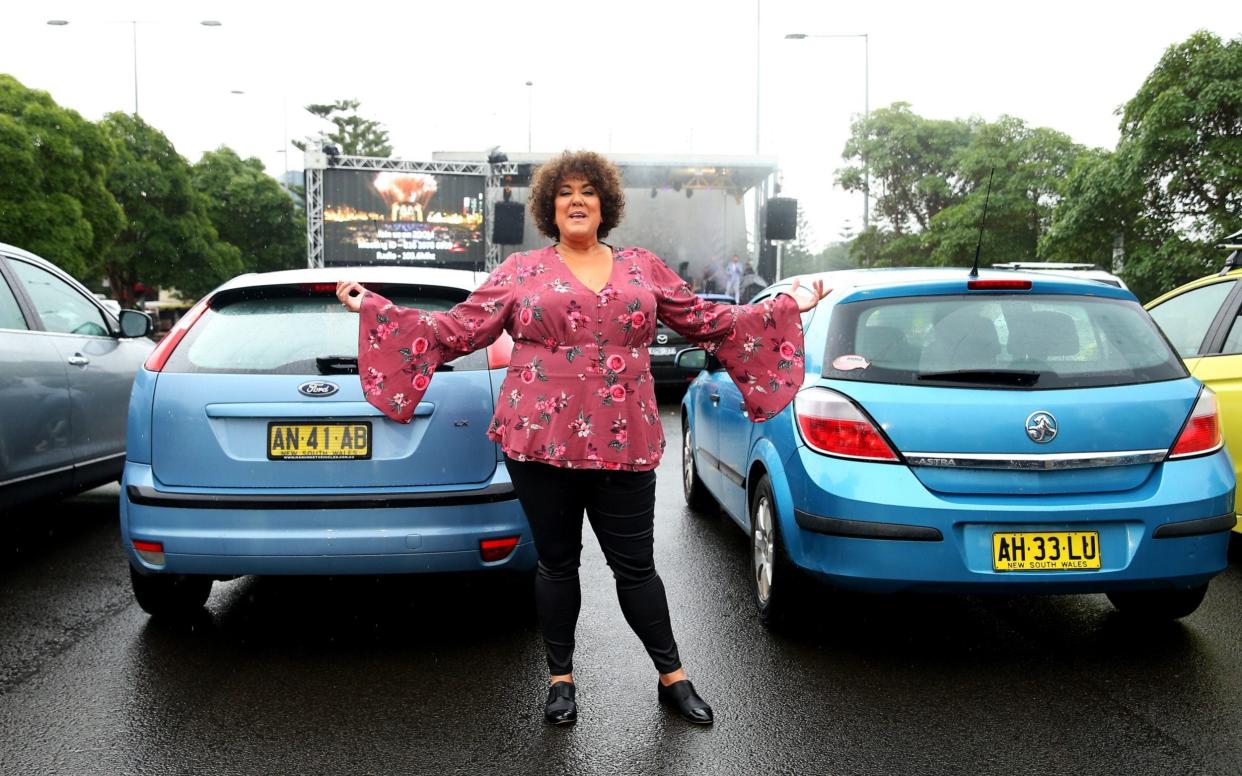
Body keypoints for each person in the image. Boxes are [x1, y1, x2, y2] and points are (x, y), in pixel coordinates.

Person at [336, 151, 826, 727]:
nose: (576, 199)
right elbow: (456, 329)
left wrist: (784, 306)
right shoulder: (520, 270)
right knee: (557, 564)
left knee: (635, 567)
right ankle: (560, 680)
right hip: (538, 438)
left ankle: (673, 677)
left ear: (605, 205)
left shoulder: (643, 267)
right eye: (564, 191)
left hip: (625, 439)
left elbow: (707, 321)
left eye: (588, 191)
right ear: (549, 206)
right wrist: (375, 308)